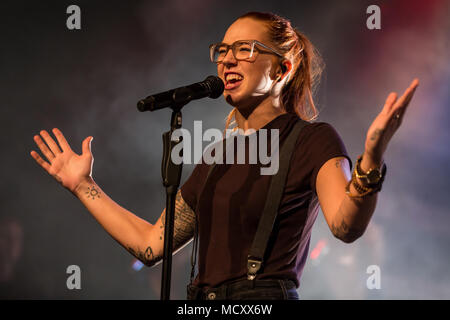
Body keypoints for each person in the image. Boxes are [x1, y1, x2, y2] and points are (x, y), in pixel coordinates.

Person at [30, 12, 418, 300]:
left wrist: (372, 155)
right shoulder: (217, 158)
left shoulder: (312, 141)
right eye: (223, 50)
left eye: (245, 50)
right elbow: (150, 245)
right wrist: (83, 186)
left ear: (283, 67)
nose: (227, 60)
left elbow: (346, 226)